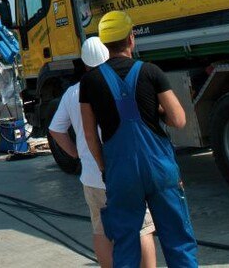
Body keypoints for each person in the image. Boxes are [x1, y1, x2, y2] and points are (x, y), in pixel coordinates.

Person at [80, 11, 198, 268]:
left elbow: (89, 134)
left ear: (104, 43)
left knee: (125, 242)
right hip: (160, 168)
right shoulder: (151, 72)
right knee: (178, 239)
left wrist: (104, 168)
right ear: (131, 39)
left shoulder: (89, 82)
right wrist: (156, 111)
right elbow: (178, 119)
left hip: (120, 172)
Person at [49, 38, 157, 268]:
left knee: (102, 230)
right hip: (126, 170)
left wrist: (75, 153)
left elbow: (56, 129)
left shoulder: (72, 93)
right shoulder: (122, 84)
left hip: (92, 176)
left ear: (84, 63)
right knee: (141, 228)